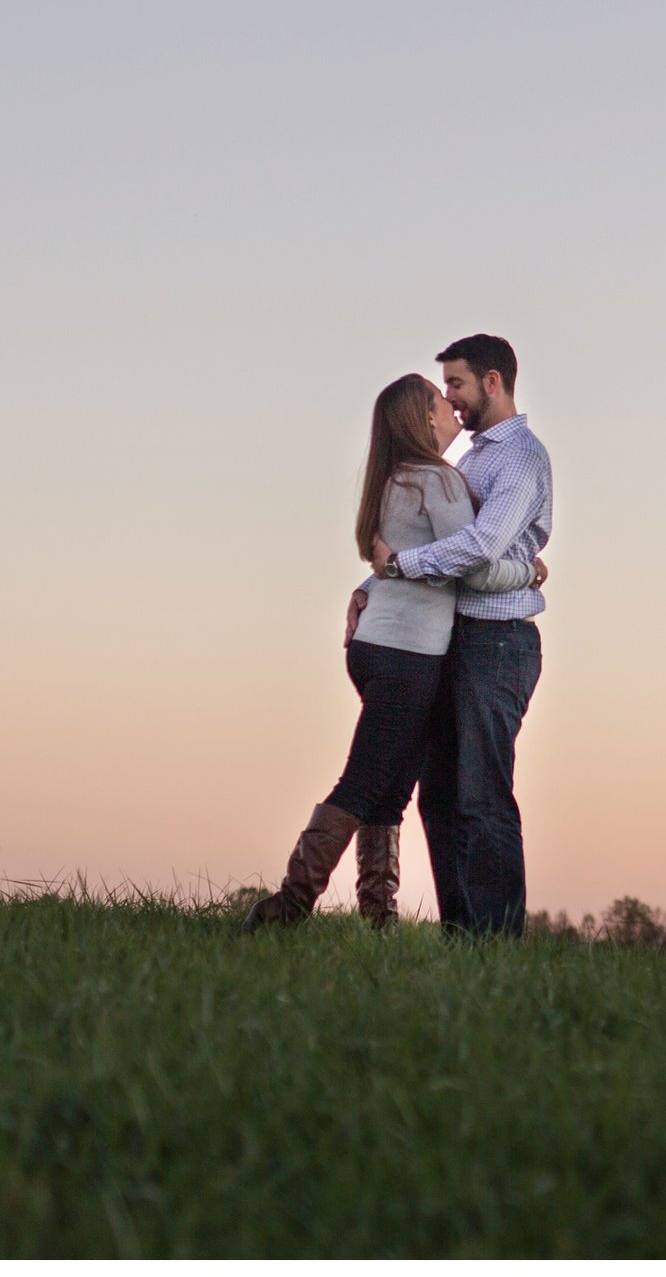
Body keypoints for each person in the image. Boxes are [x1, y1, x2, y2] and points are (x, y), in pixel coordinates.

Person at [244, 373, 543, 932]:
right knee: (364, 781)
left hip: (377, 647)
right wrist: (529, 570)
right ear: (425, 418)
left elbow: (396, 562)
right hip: (408, 656)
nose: (452, 405)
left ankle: (378, 919)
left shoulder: (395, 480)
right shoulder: (440, 481)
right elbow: (473, 566)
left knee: (393, 781)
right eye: (441, 397)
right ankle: (288, 906)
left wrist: (367, 587)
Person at [363, 333, 553, 937]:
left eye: (457, 385)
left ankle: (494, 942)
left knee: (481, 796)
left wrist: (398, 568)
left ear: (492, 381)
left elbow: (475, 549)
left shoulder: (520, 456)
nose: (450, 398)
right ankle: (462, 936)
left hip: (497, 644)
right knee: (440, 798)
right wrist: (371, 589)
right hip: (453, 638)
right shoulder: (469, 460)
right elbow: (433, 542)